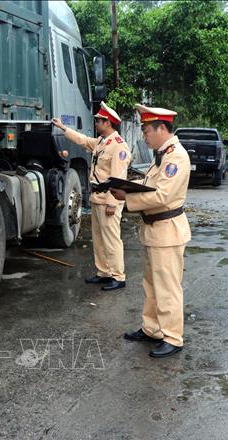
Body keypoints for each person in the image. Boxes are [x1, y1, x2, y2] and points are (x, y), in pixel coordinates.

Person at [109, 104, 191, 358]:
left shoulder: (176, 156)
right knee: (152, 285)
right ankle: (153, 328)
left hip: (168, 230)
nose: (144, 135)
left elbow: (163, 196)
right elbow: (148, 185)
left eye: (146, 130)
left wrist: (126, 197)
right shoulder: (162, 155)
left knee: (167, 287)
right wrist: (127, 186)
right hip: (156, 230)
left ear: (162, 128)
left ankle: (172, 337)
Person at [51, 102, 131, 291]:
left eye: (98, 121)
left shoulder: (118, 146)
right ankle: (104, 272)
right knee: (100, 239)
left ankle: (118, 276)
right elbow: (83, 140)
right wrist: (64, 128)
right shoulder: (103, 142)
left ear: (108, 122)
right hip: (98, 198)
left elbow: (119, 177)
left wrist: (113, 202)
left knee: (111, 239)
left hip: (109, 200)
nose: (95, 123)